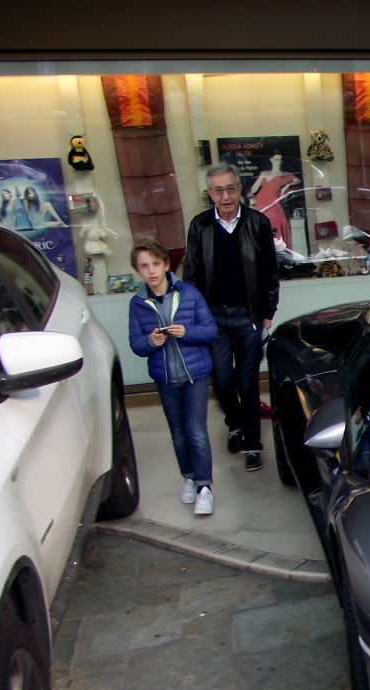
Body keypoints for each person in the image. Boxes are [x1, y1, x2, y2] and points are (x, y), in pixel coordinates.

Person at [182, 162, 280, 472]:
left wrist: (268, 313)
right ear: (209, 193)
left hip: (248, 316)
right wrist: (194, 317)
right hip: (213, 319)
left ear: (239, 189)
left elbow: (269, 271)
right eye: (218, 190)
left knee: (247, 383)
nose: (226, 196)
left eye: (231, 188)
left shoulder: (257, 222)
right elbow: (192, 274)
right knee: (223, 382)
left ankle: (253, 444)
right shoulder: (200, 226)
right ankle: (234, 423)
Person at [127, 240, 218, 516]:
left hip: (195, 375)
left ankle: (205, 487)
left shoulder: (189, 294)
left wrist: (186, 332)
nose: (151, 270)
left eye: (156, 263)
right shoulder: (137, 303)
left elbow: (210, 331)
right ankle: (188, 477)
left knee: (197, 432)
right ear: (137, 271)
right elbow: (135, 344)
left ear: (166, 265)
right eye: (144, 266)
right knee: (178, 434)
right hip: (165, 378)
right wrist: (151, 341)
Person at [249, 153, 302, 250]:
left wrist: (287, 185)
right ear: (271, 160)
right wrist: (262, 177)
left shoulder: (283, 174)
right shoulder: (264, 173)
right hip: (261, 202)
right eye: (276, 159)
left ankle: (278, 253)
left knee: (275, 225)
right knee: (262, 226)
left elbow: (298, 180)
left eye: (280, 160)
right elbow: (253, 190)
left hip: (273, 202)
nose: (278, 162)